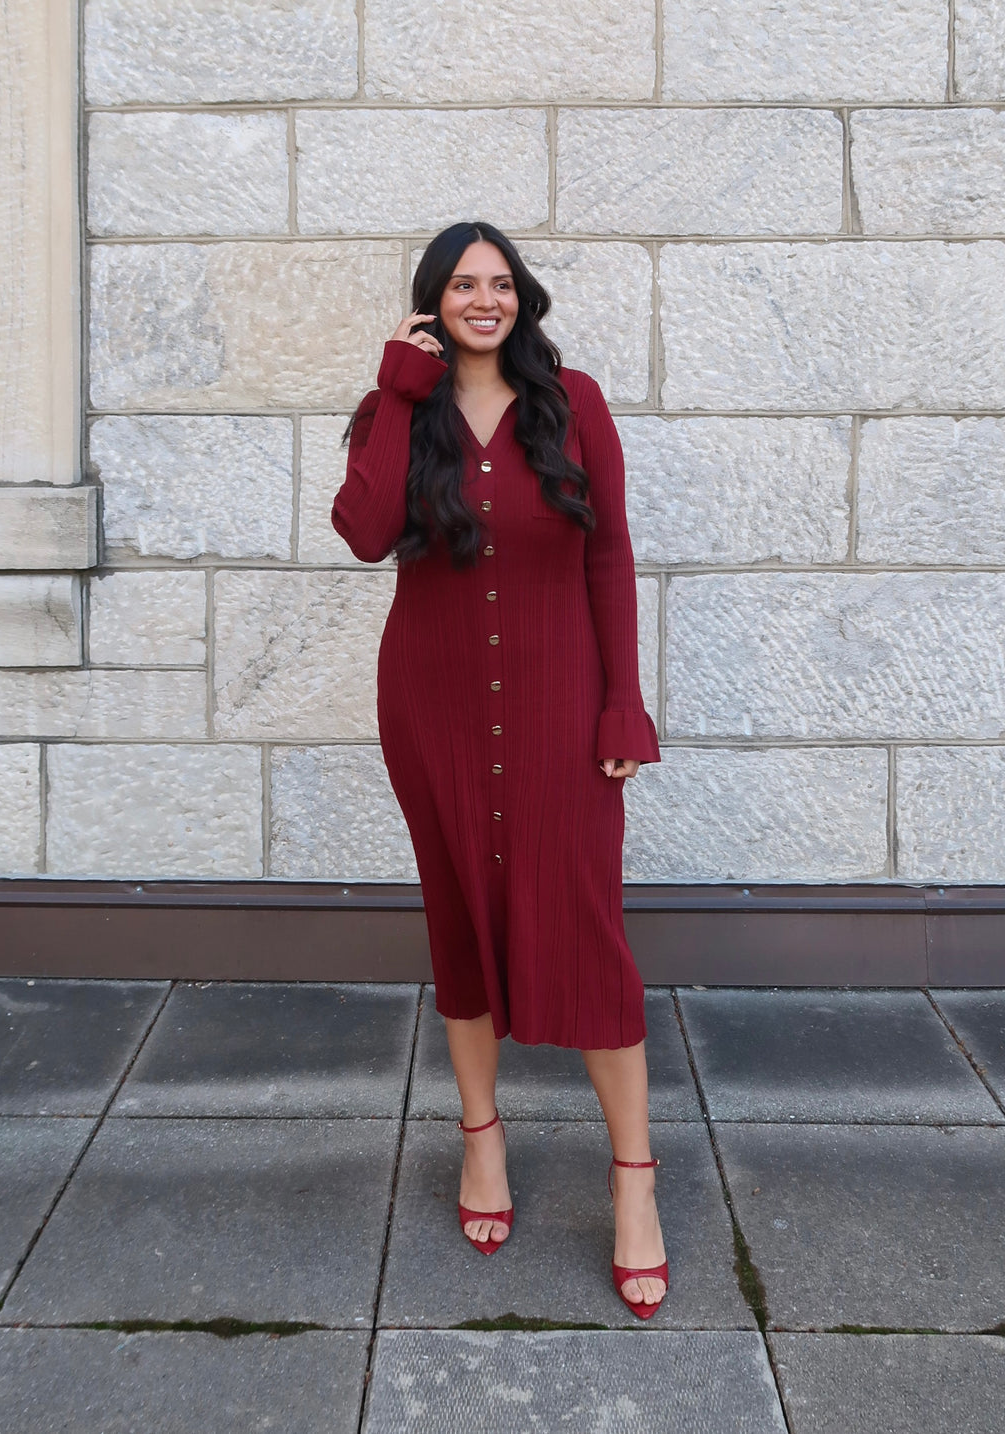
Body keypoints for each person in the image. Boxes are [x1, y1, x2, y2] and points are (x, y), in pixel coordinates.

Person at [332, 221, 667, 1319]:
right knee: (461, 921)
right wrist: (396, 383)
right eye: (462, 284)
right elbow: (365, 531)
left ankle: (634, 1185)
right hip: (428, 709)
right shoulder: (400, 411)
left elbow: (608, 554)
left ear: (522, 297)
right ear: (431, 301)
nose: (485, 298)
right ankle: (482, 1144)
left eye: (500, 282)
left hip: (561, 705)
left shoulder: (573, 402)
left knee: (585, 930)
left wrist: (621, 700)